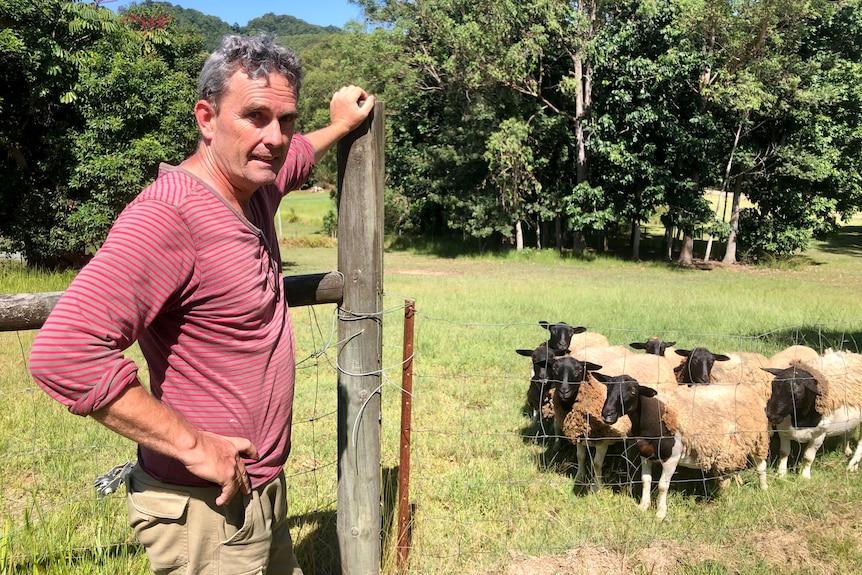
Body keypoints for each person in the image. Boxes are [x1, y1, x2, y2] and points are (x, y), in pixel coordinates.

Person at [28, 34, 374, 574]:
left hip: (258, 493)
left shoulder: (253, 187)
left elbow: (297, 155)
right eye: (255, 116)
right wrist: (194, 446)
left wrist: (341, 124)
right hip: (202, 508)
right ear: (206, 118)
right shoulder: (170, 215)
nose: (274, 137)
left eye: (284, 119)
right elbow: (65, 353)